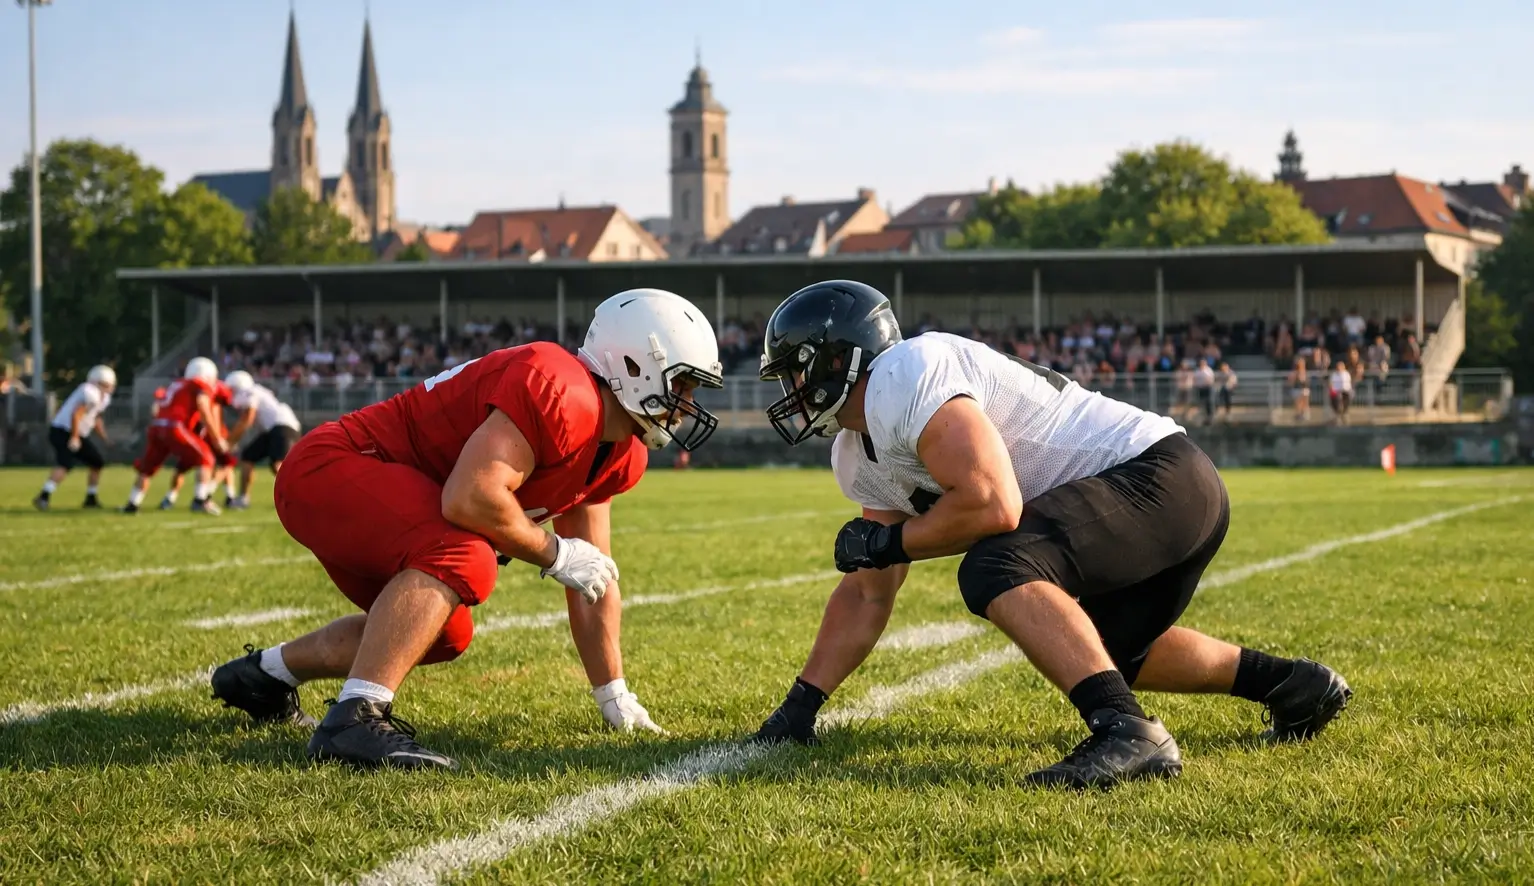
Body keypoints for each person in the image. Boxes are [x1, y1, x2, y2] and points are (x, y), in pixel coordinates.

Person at [750, 280, 1350, 790]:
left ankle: (1127, 732)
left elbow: (993, 504)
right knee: (1104, 649)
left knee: (995, 566)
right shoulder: (857, 452)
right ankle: (1292, 685)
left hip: (1158, 476)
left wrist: (890, 543)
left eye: (796, 369)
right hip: (1166, 491)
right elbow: (868, 593)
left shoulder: (905, 374)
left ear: (840, 358)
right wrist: (800, 707)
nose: (790, 389)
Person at [209, 289, 724, 771]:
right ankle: (354, 719)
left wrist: (614, 693)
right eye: (681, 384)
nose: (687, 403)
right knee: (467, 556)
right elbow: (470, 498)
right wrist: (553, 553)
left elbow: (595, 576)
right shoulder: (562, 388)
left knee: (440, 633)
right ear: (633, 364)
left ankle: (263, 676)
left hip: (372, 490)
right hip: (332, 468)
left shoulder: (620, 452)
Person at [122, 357, 228, 515]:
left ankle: (133, 503)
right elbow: (203, 407)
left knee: (147, 468)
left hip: (157, 426)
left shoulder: (177, 384)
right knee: (206, 457)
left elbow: (156, 408)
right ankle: (200, 501)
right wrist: (216, 438)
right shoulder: (198, 384)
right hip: (174, 426)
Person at [34, 365, 116, 511]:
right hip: (62, 431)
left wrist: (105, 438)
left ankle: (91, 498)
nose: (109, 387)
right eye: (106, 384)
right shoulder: (90, 392)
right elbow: (76, 415)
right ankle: (43, 496)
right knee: (65, 464)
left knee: (97, 462)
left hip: (75, 432)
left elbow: (96, 418)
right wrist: (75, 437)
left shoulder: (103, 398)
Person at [221, 370, 302, 509]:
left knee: (278, 464)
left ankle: (301, 496)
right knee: (248, 456)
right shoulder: (257, 391)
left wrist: (230, 442)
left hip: (282, 427)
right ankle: (243, 499)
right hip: (277, 428)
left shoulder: (250, 392)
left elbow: (247, 419)